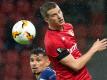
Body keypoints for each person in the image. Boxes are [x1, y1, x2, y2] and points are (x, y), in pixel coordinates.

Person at [40, 2, 107, 80]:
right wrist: (94, 48)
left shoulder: (68, 27)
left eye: (59, 11)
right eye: (54, 15)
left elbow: (74, 53)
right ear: (46, 19)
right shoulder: (52, 41)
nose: (59, 16)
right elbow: (76, 66)